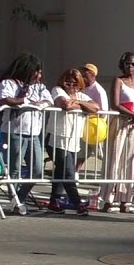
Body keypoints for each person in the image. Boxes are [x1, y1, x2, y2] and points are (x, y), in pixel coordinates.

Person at [0, 53, 52, 213]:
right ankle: (14, 202)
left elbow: (49, 100)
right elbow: (4, 100)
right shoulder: (8, 83)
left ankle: (19, 197)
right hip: (14, 131)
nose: (39, 75)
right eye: (37, 71)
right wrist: (23, 100)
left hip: (34, 132)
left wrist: (41, 103)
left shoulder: (39, 86)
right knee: (14, 168)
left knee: (37, 170)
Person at [97, 51, 134, 213]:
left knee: (129, 162)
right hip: (120, 123)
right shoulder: (118, 81)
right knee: (114, 160)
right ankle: (108, 199)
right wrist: (133, 114)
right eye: (127, 63)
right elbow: (115, 104)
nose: (130, 66)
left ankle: (126, 200)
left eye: (133, 64)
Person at [48, 68, 99, 214]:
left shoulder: (81, 95)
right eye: (68, 83)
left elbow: (95, 107)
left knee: (60, 171)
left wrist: (77, 101)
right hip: (58, 138)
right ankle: (77, 203)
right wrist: (82, 106)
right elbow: (64, 104)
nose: (71, 86)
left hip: (74, 139)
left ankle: (54, 201)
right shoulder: (57, 90)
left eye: (75, 84)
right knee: (69, 171)